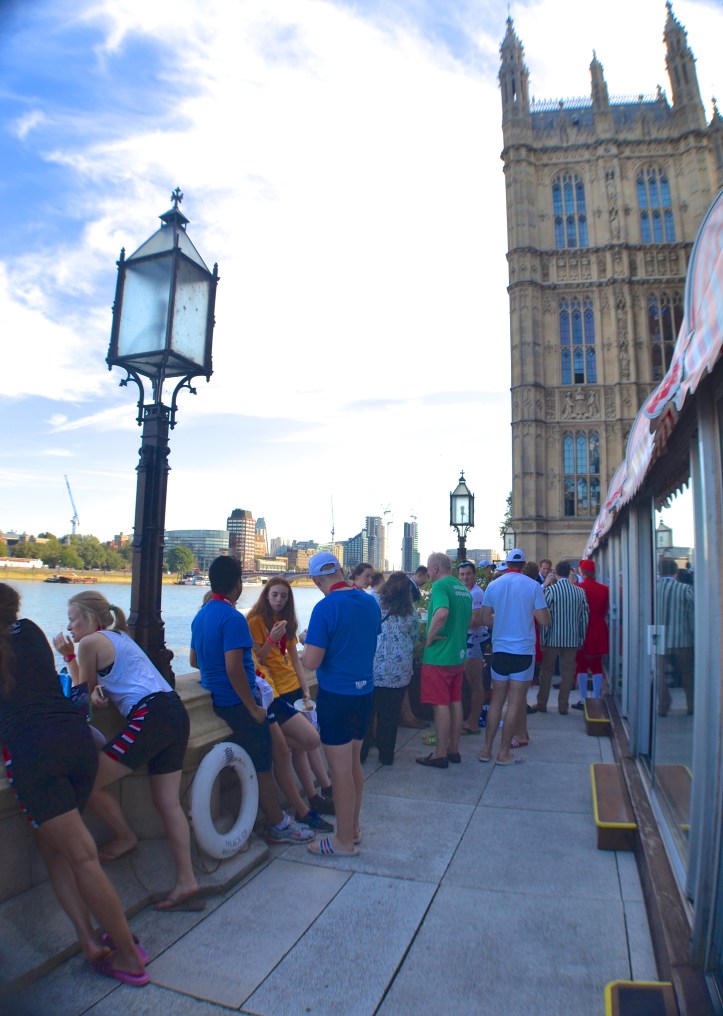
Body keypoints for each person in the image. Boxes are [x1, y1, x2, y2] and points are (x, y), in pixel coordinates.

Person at [1, 584, 149, 986]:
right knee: (55, 848)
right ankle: (90, 940)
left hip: (34, 753)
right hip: (76, 743)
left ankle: (128, 956)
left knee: (80, 856)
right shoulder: (31, 630)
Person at [53, 590, 199, 913]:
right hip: (174, 711)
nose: (69, 627)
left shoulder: (89, 643)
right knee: (168, 803)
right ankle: (187, 880)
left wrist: (67, 655)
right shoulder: (120, 636)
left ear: (89, 618)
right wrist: (95, 691)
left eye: (73, 619)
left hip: (151, 715)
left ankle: (124, 836)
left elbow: (79, 698)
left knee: (87, 781)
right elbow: (99, 687)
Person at [190, 557, 313, 846]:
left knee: (270, 751)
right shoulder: (233, 618)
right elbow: (234, 667)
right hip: (238, 702)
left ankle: (276, 819)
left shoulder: (202, 615)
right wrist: (252, 708)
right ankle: (278, 824)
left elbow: (195, 661)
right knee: (262, 765)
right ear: (238, 584)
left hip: (218, 697)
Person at [302, 552, 381, 856]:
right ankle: (353, 828)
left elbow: (312, 661)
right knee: (353, 764)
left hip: (336, 696)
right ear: (341, 571)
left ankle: (343, 841)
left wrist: (306, 640)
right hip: (365, 693)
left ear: (316, 580)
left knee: (340, 772)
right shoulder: (369, 602)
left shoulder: (325, 608)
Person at [246, 578, 334, 821]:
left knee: (304, 748)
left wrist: (305, 687)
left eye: (284, 596)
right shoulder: (255, 622)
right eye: (275, 595)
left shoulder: (286, 621)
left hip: (293, 686)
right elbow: (256, 659)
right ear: (266, 595)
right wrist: (272, 639)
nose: (279, 600)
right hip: (277, 690)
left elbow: (294, 658)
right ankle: (317, 793)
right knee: (307, 741)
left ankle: (318, 792)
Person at [478, 549, 550, 765]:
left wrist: (501, 620)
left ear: (507, 563)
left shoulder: (494, 585)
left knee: (496, 701)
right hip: (523, 652)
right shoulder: (533, 586)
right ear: (524, 565)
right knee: (515, 703)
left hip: (500, 650)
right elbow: (545, 621)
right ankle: (504, 753)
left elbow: (485, 619)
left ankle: (486, 750)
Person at [416, 553, 472, 769]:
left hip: (439, 656)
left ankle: (440, 754)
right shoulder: (462, 588)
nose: (428, 573)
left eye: (429, 569)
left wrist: (429, 637)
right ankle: (453, 750)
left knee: (440, 705)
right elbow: (469, 620)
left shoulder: (440, 586)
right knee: (455, 701)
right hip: (458, 654)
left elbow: (441, 613)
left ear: (436, 568)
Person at [362, 572, 420, 766]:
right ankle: (386, 755)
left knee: (367, 713)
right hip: (398, 671)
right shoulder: (410, 612)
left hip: (373, 667)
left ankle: (361, 753)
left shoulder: (374, 603)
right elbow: (414, 637)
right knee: (390, 715)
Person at [532, 561, 589, 715]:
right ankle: (563, 705)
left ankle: (542, 703)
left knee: (546, 671)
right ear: (569, 572)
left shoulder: (551, 591)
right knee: (568, 671)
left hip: (552, 638)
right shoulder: (579, 592)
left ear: (556, 573)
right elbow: (584, 617)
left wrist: (543, 639)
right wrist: (581, 637)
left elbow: (545, 615)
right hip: (571, 638)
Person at [656, 557, 694, 715]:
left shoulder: (653, 589)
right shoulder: (685, 589)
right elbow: (692, 615)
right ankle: (691, 705)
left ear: (659, 571)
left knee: (659, 673)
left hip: (658, 640)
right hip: (682, 639)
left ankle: (664, 704)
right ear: (676, 571)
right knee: (687, 673)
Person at [574, 559, 610, 708]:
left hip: (582, 629)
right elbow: (605, 610)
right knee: (597, 665)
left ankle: (583, 699)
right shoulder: (604, 589)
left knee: (581, 665)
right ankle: (596, 697)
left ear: (582, 572)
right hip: (599, 628)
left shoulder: (578, 588)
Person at [457, 561, 487, 736]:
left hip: (474, 641)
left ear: (474, 575)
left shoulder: (476, 593)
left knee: (475, 683)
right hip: (467, 639)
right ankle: (470, 719)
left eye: (468, 573)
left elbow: (475, 621)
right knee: (469, 682)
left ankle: (473, 721)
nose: (465, 577)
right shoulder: (465, 592)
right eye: (462, 574)